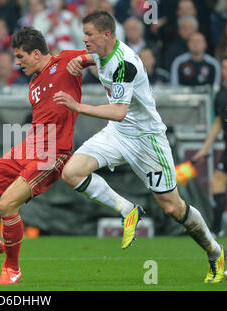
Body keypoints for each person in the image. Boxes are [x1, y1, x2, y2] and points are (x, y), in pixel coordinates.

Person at [53, 10, 225, 283]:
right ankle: (128, 210)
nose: (84, 39)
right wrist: (81, 62)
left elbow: (119, 111)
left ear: (107, 35)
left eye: (89, 35)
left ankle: (215, 251)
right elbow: (92, 58)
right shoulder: (101, 51)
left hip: (147, 140)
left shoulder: (125, 64)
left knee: (173, 208)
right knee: (71, 172)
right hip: (118, 134)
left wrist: (77, 106)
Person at [0, 26, 90, 284]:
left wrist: (93, 65)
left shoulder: (66, 60)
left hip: (53, 152)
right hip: (27, 148)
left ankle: (12, 268)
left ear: (36, 53)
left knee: (7, 204)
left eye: (20, 57)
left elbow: (105, 54)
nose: (17, 63)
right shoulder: (34, 82)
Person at [192, 56, 227, 237]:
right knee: (217, 184)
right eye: (224, 67)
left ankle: (215, 229)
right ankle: (216, 229)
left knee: (218, 183)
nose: (225, 71)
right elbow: (218, 123)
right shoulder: (221, 94)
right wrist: (204, 149)